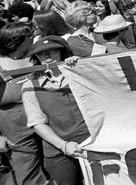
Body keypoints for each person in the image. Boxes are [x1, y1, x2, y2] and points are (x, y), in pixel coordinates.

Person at [22, 36, 89, 185]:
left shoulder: (78, 72)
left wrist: (84, 66)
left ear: (62, 52)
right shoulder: (30, 85)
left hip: (92, 142)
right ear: (36, 58)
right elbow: (37, 122)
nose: (47, 56)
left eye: (52, 51)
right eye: (42, 54)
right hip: (58, 151)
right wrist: (64, 146)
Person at [0, 24, 50, 185]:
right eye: (31, 35)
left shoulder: (38, 57)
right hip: (16, 131)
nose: (34, 37)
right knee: (28, 176)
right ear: (19, 40)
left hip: (49, 123)